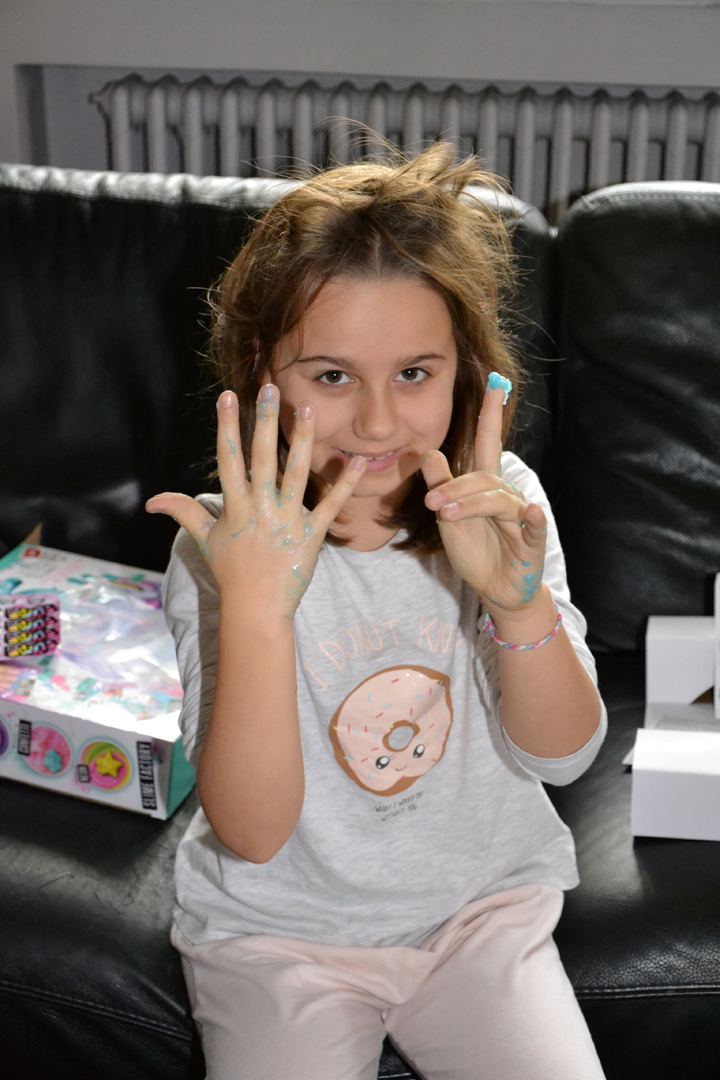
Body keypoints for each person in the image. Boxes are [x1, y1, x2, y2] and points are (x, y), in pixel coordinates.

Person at [146, 143, 608, 1080]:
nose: (378, 423)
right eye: (331, 376)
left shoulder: (502, 500)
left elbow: (564, 757)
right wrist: (257, 609)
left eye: (414, 373)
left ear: (463, 369)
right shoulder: (222, 551)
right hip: (277, 938)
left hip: (480, 915)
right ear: (262, 373)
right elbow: (252, 833)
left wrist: (515, 604)